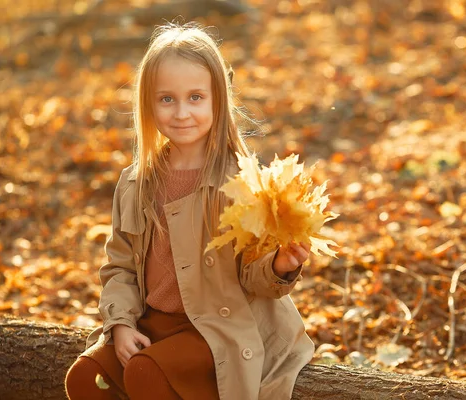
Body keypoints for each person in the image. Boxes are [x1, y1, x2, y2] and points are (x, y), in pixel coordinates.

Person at [64, 22, 315, 400]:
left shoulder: (240, 181)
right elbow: (120, 267)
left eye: (196, 97)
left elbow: (254, 277)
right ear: (148, 103)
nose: (182, 112)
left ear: (218, 99)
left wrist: (280, 266)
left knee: (147, 373)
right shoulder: (136, 183)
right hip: (153, 322)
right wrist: (119, 324)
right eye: (167, 99)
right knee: (85, 377)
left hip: (217, 326)